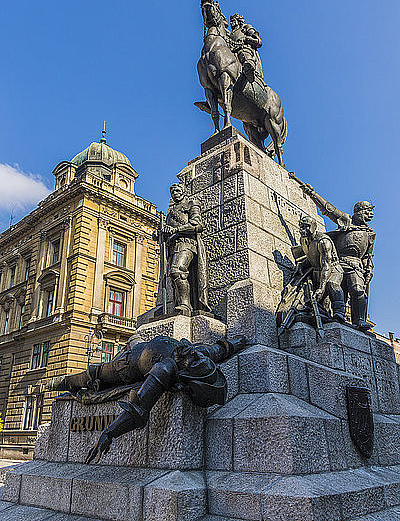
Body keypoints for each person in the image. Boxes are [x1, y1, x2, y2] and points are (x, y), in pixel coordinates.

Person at [45, 334, 246, 463]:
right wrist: (241, 341)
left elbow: (139, 409)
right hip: (138, 344)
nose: (194, 353)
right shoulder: (198, 354)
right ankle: (57, 382)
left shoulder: (166, 369)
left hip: (124, 367)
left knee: (90, 376)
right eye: (199, 357)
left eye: (193, 360)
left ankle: (58, 383)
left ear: (185, 373)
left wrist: (109, 433)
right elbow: (222, 349)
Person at [296, 180, 375, 331]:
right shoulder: (347, 221)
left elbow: (367, 256)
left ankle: (360, 321)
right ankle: (338, 315)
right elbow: (329, 209)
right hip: (338, 262)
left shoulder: (370, 234)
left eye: (370, 212)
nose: (370, 215)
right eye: (367, 212)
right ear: (358, 211)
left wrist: (368, 269)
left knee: (358, 290)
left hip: (355, 266)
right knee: (334, 287)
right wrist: (312, 194)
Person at [163, 183, 209, 315]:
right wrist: (161, 233)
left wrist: (176, 230)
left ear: (183, 191)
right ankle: (182, 303)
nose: (175, 194)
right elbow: (167, 231)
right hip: (173, 246)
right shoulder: (171, 213)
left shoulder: (191, 204)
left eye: (177, 191)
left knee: (177, 271)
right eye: (173, 192)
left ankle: (185, 305)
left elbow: (197, 225)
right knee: (173, 275)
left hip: (187, 243)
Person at [298, 215, 346, 322]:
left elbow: (326, 264)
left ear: (313, 227)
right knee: (320, 302)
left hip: (332, 269)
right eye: (301, 227)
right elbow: (311, 257)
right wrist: (301, 265)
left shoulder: (323, 241)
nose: (302, 230)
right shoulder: (303, 240)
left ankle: (340, 313)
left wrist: (321, 287)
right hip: (317, 270)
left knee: (331, 284)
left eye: (306, 227)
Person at [230, 13, 264, 83]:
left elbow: (258, 41)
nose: (231, 23)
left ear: (238, 21)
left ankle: (249, 68)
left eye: (233, 21)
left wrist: (245, 39)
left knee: (243, 52)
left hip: (244, 49)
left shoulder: (246, 27)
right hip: (233, 51)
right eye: (231, 21)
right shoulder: (231, 34)